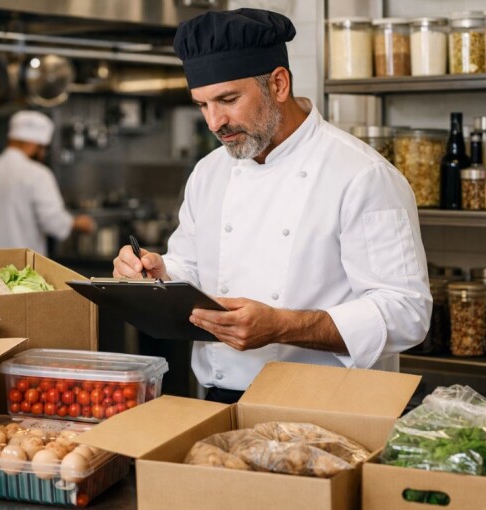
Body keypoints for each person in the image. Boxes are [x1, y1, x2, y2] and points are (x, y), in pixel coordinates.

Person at [112, 8, 432, 404]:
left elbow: (407, 313)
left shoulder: (361, 175)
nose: (215, 122)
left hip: (330, 405)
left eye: (228, 100)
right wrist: (158, 273)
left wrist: (282, 327)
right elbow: (192, 266)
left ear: (278, 83)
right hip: (220, 396)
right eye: (203, 105)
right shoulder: (210, 171)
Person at [0, 110, 95, 256]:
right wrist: (77, 223)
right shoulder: (38, 174)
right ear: (34, 144)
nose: (43, 153)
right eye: (42, 148)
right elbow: (53, 222)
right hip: (22, 272)